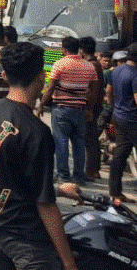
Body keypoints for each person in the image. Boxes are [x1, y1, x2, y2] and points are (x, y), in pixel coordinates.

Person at [0, 42, 78, 270]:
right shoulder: (35, 132)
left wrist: (59, 188)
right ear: (41, 77)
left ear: (5, 76)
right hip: (19, 235)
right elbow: (46, 206)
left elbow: (6, 175)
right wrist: (69, 263)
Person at [37, 36, 99, 185]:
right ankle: (78, 177)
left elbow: (51, 87)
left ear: (64, 49)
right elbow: (94, 90)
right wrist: (90, 108)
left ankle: (63, 175)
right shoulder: (89, 66)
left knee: (61, 142)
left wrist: (41, 104)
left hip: (61, 109)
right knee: (78, 143)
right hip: (80, 109)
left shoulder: (60, 64)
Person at [106, 43, 137, 203]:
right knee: (120, 155)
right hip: (133, 120)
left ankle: (115, 192)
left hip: (119, 116)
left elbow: (109, 91)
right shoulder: (135, 75)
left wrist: (114, 107)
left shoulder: (116, 71)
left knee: (120, 156)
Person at [79, 36, 106, 182]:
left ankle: (91, 171)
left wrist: (89, 108)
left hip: (92, 106)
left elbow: (93, 90)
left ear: (82, 50)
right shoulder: (94, 64)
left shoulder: (92, 65)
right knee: (91, 138)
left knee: (90, 139)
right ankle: (93, 170)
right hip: (94, 105)